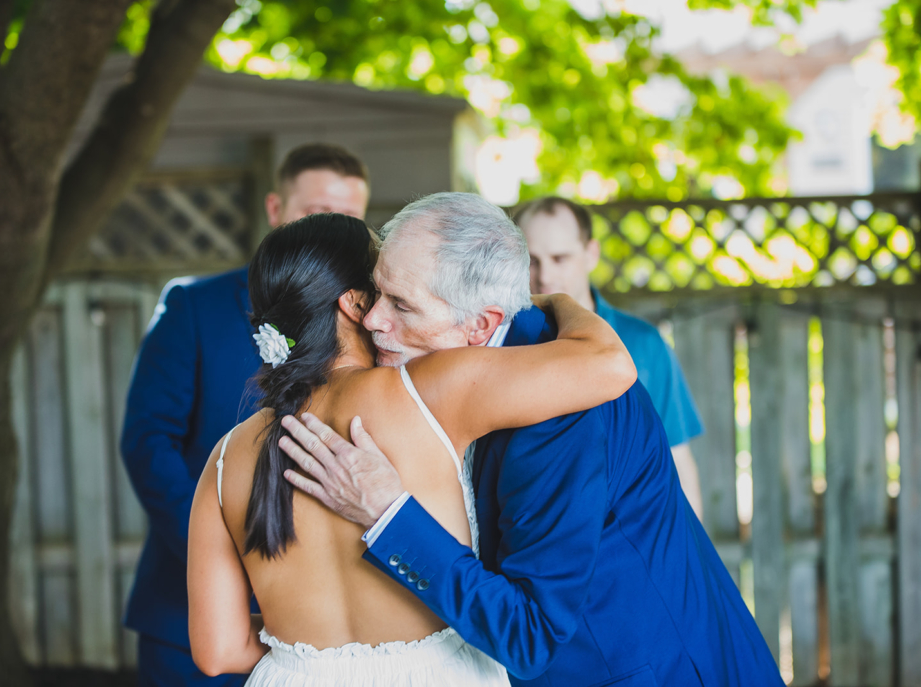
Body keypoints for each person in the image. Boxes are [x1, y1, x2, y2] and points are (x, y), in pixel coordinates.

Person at [278, 193, 784, 686]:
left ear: (482, 324)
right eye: (377, 291)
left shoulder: (559, 409)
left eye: (402, 306)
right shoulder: (469, 362)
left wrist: (387, 512)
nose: (372, 320)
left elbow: (531, 635)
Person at [186, 213, 636, 685]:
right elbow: (608, 365)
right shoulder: (430, 390)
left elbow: (219, 651)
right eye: (380, 288)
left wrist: (308, 645)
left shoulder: (224, 458)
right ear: (356, 303)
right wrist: (554, 300)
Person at [120, 143, 369, 687]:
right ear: (276, 209)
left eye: (348, 217)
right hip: (190, 616)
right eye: (315, 211)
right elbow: (147, 441)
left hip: (324, 629)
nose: (330, 227)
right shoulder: (195, 307)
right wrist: (220, 549)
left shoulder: (373, 324)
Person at [514, 196, 705, 518]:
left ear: (591, 254)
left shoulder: (644, 345)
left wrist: (691, 563)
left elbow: (678, 465)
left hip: (630, 539)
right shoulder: (499, 344)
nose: (545, 276)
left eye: (560, 258)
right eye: (532, 260)